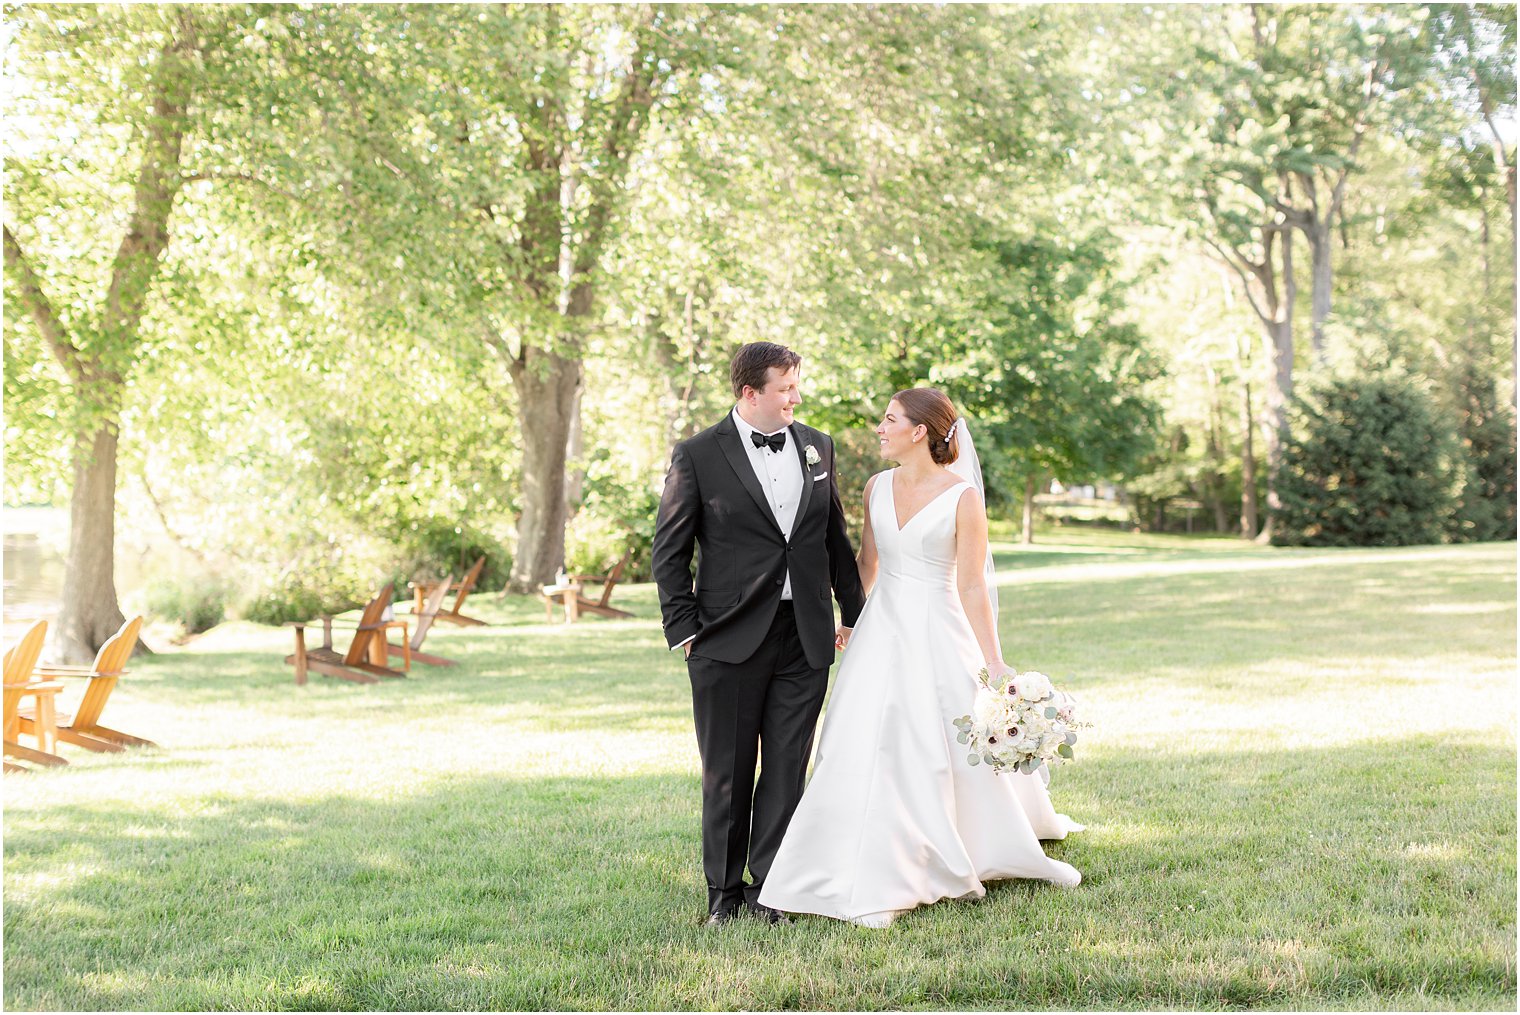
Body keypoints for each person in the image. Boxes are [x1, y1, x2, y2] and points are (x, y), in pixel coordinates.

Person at [758, 386, 1083, 928]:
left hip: (938, 627)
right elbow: (868, 562)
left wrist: (995, 662)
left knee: (941, 741)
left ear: (920, 431)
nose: (879, 429)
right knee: (862, 735)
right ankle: (857, 850)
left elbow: (973, 585)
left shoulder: (963, 497)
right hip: (881, 626)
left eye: (889, 420)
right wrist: (849, 619)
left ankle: (967, 843)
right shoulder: (875, 487)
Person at [652, 341, 867, 927]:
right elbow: (669, 553)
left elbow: (832, 540)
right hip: (726, 638)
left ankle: (773, 887)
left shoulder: (817, 447)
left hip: (805, 636)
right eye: (786, 388)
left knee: (786, 768)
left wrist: (855, 612)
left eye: (797, 385)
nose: (796, 397)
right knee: (728, 768)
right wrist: (685, 631)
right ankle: (724, 896)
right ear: (750, 393)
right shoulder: (697, 454)